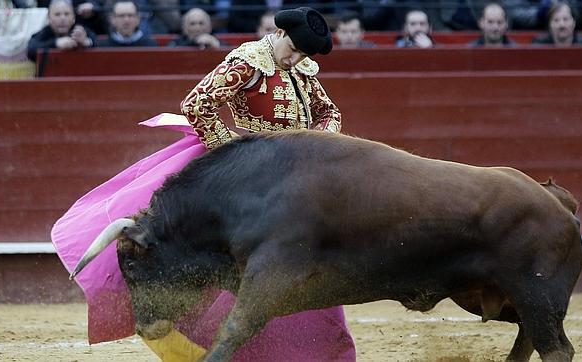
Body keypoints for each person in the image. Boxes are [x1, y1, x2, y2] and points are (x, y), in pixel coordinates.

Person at [51, 6, 356, 361]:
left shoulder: (300, 67)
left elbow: (329, 111)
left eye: (304, 55)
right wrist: (234, 150)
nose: (296, 59)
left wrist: (315, 143)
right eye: (295, 50)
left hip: (289, 174)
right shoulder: (248, 62)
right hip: (250, 171)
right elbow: (197, 103)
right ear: (281, 35)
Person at [27, 0, 96, 61]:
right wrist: (56, 43)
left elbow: (101, 43)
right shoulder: (45, 32)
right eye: (57, 14)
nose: (62, 19)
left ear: (74, 18)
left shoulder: (80, 31)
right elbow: (31, 49)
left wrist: (86, 42)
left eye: (67, 14)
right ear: (48, 18)